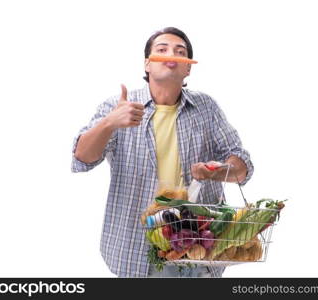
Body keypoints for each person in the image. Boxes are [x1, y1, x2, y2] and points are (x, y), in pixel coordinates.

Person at [71, 27, 254, 277]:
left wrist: (217, 172)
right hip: (135, 249)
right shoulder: (120, 107)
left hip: (199, 248)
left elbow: (241, 166)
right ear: (147, 64)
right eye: (162, 49)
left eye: (181, 52)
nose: (172, 54)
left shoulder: (206, 108)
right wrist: (109, 123)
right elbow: (82, 158)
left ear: (187, 68)